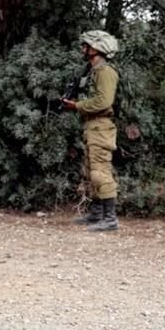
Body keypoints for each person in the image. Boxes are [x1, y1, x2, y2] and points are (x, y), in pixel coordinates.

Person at [61, 30, 121, 231]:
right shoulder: (93, 71)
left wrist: (77, 106)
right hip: (92, 125)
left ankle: (110, 219)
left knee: (100, 171)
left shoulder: (106, 72)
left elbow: (104, 101)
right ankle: (97, 214)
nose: (83, 49)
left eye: (86, 45)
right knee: (90, 170)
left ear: (97, 48)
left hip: (101, 127)